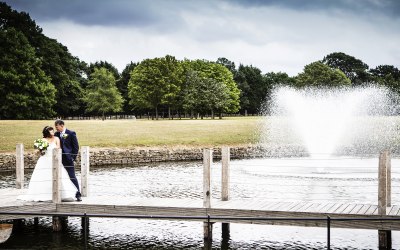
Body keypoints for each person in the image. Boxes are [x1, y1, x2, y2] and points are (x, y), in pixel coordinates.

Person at [18, 126, 77, 202]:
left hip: (54, 160)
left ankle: (62, 194)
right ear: (47, 133)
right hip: (44, 160)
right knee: (43, 176)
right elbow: (40, 152)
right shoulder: (42, 140)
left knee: (59, 176)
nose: (53, 132)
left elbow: (58, 149)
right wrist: (41, 150)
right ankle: (43, 194)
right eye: (51, 132)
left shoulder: (56, 139)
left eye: (53, 131)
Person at [54, 119, 82, 201]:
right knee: (60, 177)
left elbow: (76, 147)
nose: (56, 129)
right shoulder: (56, 134)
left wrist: (73, 158)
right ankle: (63, 194)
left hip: (68, 159)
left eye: (57, 127)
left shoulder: (71, 133)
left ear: (62, 125)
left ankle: (78, 194)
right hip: (58, 160)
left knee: (72, 176)